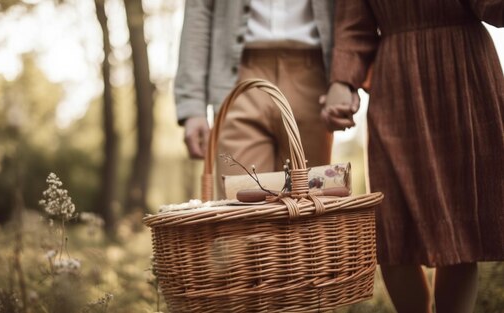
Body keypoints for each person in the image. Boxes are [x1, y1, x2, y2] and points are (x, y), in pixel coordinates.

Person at [322, 0, 504, 312]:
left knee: (460, 219)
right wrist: (342, 81)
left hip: (462, 74)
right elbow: (354, 26)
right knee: (392, 222)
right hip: (396, 79)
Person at [174, 0, 357, 199]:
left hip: (314, 80)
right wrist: (192, 103)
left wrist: (345, 78)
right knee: (240, 213)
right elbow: (199, 6)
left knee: (309, 212)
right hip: (237, 80)